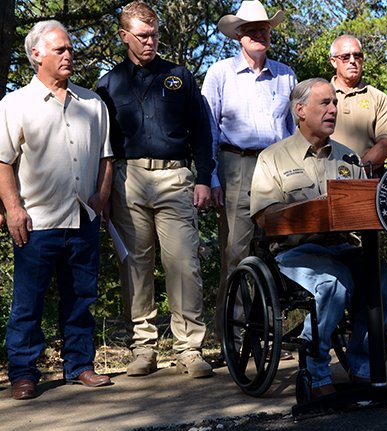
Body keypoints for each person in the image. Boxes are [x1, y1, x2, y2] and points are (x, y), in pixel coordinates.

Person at [250, 78, 387, 397]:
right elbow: (265, 217)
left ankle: (362, 367)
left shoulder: (348, 159)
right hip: (292, 254)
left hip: (342, 247)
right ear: (300, 110)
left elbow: (365, 211)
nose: (333, 109)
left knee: (382, 275)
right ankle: (316, 371)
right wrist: (315, 211)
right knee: (334, 281)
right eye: (325, 104)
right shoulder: (273, 158)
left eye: (334, 103)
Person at [96, 1, 214, 378]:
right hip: (128, 180)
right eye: (143, 36)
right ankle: (143, 347)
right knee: (134, 265)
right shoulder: (109, 83)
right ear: (124, 36)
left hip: (175, 178)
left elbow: (203, 131)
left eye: (155, 34)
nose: (150, 42)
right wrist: (102, 192)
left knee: (183, 263)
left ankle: (189, 349)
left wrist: (203, 178)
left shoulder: (179, 76)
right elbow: (102, 145)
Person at [0, 20, 113, 400]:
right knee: (28, 303)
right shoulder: (14, 104)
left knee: (81, 297)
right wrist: (13, 209)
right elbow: (2, 162)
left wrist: (101, 198)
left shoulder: (93, 103)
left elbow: (105, 157)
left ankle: (79, 365)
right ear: (37, 55)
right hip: (37, 220)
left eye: (69, 48)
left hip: (83, 217)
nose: (69, 55)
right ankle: (23, 373)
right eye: (60, 49)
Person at [201, 0, 296, 361]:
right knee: (236, 254)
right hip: (235, 165)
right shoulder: (219, 73)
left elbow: (293, 131)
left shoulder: (286, 74)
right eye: (252, 28)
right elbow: (209, 130)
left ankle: (270, 337)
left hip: (276, 168)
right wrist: (210, 178)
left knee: (276, 252)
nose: (260, 33)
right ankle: (234, 340)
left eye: (265, 28)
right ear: (239, 35)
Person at [329, 35, 387, 176]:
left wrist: (356, 173)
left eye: (357, 56)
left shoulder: (379, 98)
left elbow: (385, 145)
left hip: (367, 181)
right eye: (345, 57)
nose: (352, 61)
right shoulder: (319, 96)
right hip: (325, 180)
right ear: (334, 62)